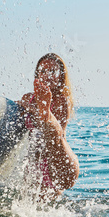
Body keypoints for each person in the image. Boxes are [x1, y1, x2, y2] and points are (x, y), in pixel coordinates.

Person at [18, 53, 79, 196]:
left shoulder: (61, 100)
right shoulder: (28, 97)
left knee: (50, 207)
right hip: (32, 161)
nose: (47, 75)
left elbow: (59, 134)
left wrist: (34, 109)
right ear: (37, 74)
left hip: (53, 162)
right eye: (43, 71)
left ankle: (45, 114)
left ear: (60, 75)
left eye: (52, 71)